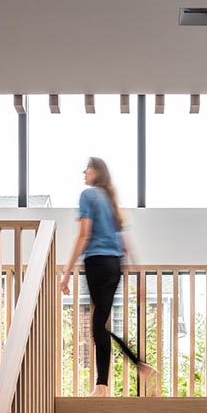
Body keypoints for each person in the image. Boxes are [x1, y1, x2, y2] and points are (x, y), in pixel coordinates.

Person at [60, 157, 155, 396]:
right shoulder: (112, 203)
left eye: (88, 168)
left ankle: (106, 383)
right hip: (115, 266)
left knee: (98, 325)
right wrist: (139, 277)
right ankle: (131, 369)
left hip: (97, 262)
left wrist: (67, 271)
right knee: (100, 324)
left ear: (97, 172)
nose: (84, 172)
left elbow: (84, 235)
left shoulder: (88, 196)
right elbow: (126, 245)